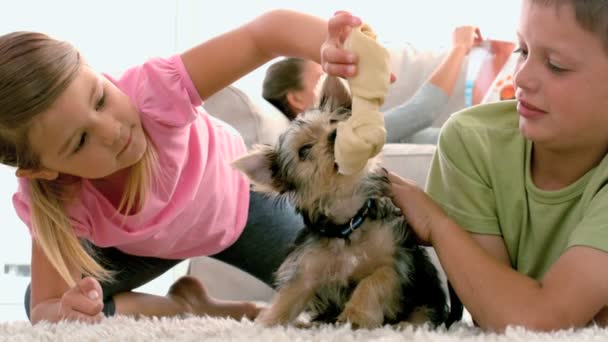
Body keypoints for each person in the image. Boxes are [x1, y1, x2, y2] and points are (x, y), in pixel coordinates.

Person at [0, 10, 363, 324]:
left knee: (340, 295)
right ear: (43, 169)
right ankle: (183, 307)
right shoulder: (53, 194)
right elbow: (46, 307)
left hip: (236, 205)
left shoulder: (154, 91)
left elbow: (263, 35)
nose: (112, 131)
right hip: (145, 248)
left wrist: (331, 45)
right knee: (54, 304)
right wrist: (65, 310)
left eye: (100, 98)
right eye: (80, 141)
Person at [385, 0, 608, 332]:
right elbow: (493, 314)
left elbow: (535, 320)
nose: (521, 77)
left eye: (556, 65)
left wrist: (437, 224)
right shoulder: (472, 142)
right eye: (522, 50)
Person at [262, 26, 482, 144]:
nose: (337, 78)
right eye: (322, 75)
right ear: (296, 98)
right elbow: (424, 110)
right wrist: (459, 47)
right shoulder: (337, 137)